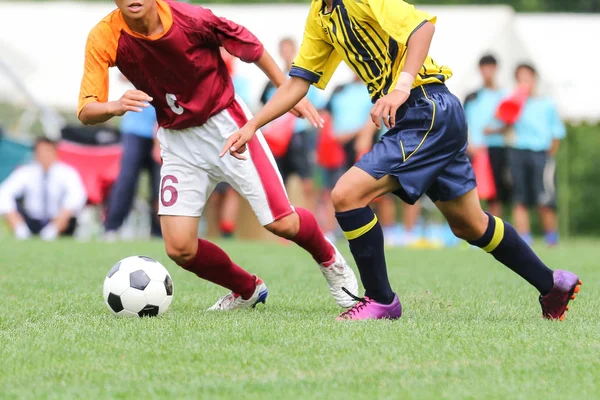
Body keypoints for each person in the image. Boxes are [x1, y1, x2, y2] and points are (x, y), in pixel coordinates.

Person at [230, 0, 581, 320]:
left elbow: (422, 28)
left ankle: (381, 300)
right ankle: (553, 283)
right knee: (469, 224)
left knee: (346, 194)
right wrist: (252, 125)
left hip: (425, 107)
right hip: (430, 114)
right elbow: (297, 83)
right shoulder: (321, 14)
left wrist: (401, 86)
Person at [77, 0, 357, 310]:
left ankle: (332, 261)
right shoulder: (104, 36)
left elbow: (252, 47)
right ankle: (247, 289)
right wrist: (114, 105)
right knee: (180, 247)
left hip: (227, 125)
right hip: (178, 140)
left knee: (281, 223)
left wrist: (285, 89)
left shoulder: (192, 18)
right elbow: (86, 110)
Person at [260, 37, 324, 212]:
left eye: (290, 50)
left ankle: (314, 222)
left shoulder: (306, 79)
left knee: (307, 182)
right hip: (277, 140)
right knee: (280, 182)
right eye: (284, 50)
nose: (287, 54)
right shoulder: (271, 82)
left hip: (299, 135)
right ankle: (285, 221)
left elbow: (317, 110)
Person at [508, 63, 565, 246]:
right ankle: (524, 240)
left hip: (541, 154)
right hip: (518, 152)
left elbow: (557, 133)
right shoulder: (512, 103)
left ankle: (551, 238)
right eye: (520, 78)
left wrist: (549, 155)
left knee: (545, 199)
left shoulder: (546, 103)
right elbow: (501, 122)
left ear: (534, 79)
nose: (524, 81)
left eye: (527, 77)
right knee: (520, 198)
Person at [104, 75, 161, 239]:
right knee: (126, 179)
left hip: (163, 130)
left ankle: (159, 234)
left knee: (159, 185)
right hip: (135, 130)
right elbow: (122, 76)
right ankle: (111, 228)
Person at [0, 137, 87, 240]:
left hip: (58, 220)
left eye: (47, 151)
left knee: (71, 205)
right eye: (40, 152)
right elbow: (4, 193)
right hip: (31, 221)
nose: (44, 156)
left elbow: (78, 196)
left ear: (55, 152)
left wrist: (56, 225)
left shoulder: (67, 172)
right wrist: (19, 227)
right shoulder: (26, 172)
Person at [464, 55, 510, 217]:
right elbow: (463, 122)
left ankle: (495, 231)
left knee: (495, 194)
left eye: (491, 68)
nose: (488, 72)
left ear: (496, 69)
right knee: (470, 191)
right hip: (473, 149)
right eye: (484, 68)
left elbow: (510, 123)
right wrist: (469, 145)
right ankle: (473, 229)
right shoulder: (472, 96)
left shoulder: (505, 95)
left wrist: (495, 130)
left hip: (495, 147)